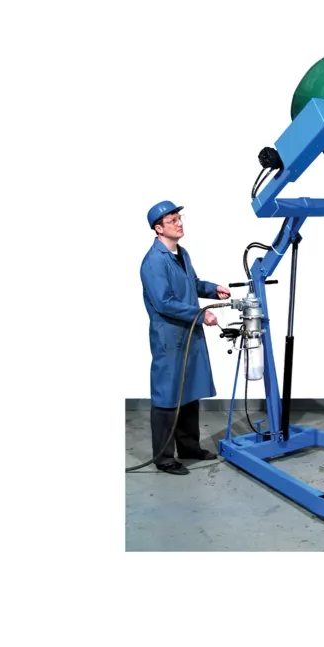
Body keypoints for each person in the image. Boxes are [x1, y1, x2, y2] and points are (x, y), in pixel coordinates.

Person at [140, 200, 231, 475]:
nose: (179, 223)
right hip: (170, 337)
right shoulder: (154, 261)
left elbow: (192, 284)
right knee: (168, 396)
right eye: (172, 220)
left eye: (179, 218)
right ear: (158, 228)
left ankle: (189, 448)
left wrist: (212, 289)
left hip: (189, 333)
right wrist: (201, 315)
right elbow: (164, 302)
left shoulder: (182, 254)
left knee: (189, 391)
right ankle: (164, 458)